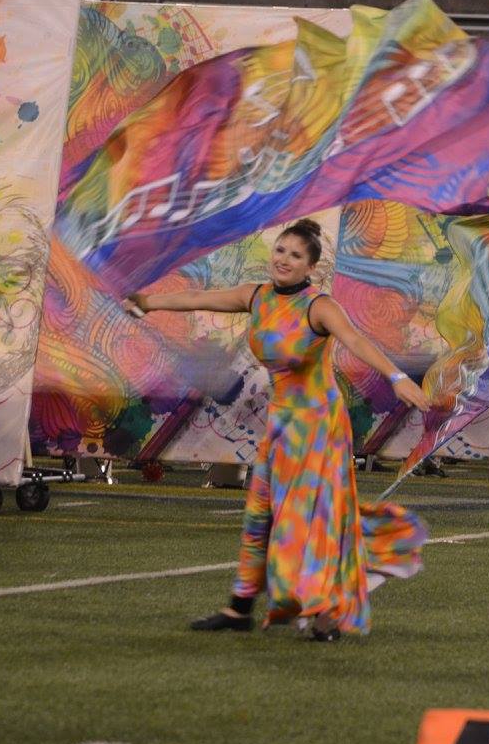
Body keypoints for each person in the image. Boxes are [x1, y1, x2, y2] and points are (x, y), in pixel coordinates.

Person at [126, 219, 431, 641]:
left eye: (295, 255)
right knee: (260, 513)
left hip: (318, 425)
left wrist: (396, 378)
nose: (284, 259)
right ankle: (239, 609)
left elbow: (356, 341)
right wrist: (148, 301)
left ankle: (325, 610)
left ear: (311, 267)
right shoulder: (257, 296)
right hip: (282, 422)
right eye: (281, 250)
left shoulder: (319, 306)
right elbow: (197, 298)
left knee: (305, 520)